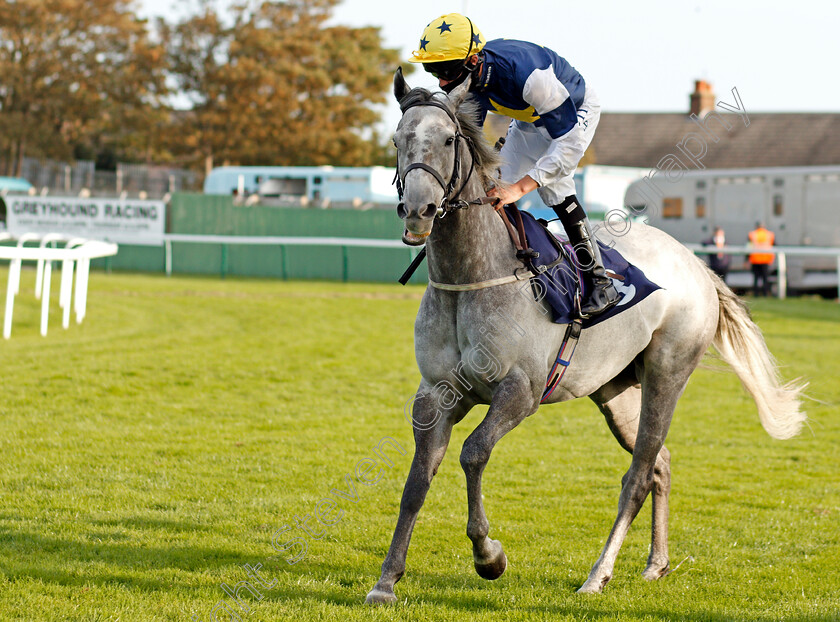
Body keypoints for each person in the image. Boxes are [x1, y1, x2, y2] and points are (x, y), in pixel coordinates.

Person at [408, 13, 619, 317]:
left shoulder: (528, 76)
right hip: (528, 121)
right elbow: (466, 143)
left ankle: (600, 281)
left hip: (572, 115)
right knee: (490, 189)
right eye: (432, 71)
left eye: (446, 70)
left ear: (473, 59)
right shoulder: (468, 79)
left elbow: (568, 146)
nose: (441, 80)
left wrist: (520, 188)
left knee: (554, 191)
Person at [748, 222, 775, 297]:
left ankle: (756, 294)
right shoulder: (769, 234)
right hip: (765, 259)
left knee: (756, 278)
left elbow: (749, 247)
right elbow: (774, 246)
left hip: (755, 259)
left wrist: (746, 260)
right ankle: (765, 293)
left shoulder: (752, 234)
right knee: (765, 278)